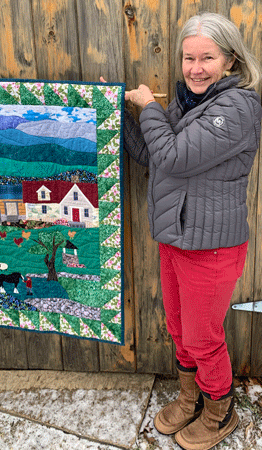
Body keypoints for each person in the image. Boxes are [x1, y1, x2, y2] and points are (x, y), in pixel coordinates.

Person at [105, 11, 262, 450]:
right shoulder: (188, 103)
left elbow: (173, 156)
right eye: (188, 58)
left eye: (207, 58)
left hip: (212, 247)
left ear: (230, 60)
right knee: (178, 327)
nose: (195, 68)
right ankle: (190, 397)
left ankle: (219, 412)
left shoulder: (238, 107)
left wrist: (149, 108)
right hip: (175, 238)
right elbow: (155, 157)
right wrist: (116, 112)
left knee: (203, 337)